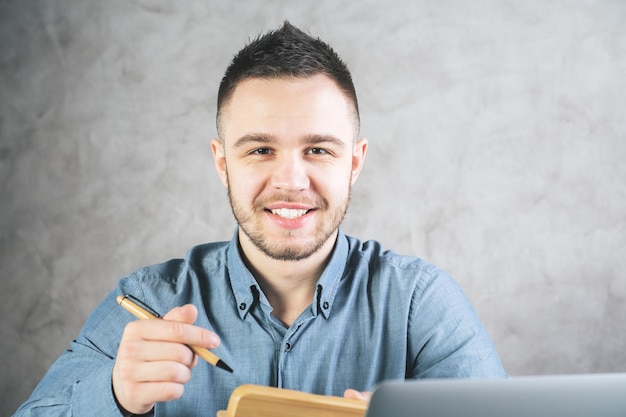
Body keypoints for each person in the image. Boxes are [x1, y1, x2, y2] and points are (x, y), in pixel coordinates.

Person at [14, 21, 506, 417]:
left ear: (354, 162)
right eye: (260, 149)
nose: (290, 181)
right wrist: (116, 396)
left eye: (317, 149)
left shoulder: (421, 303)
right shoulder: (149, 302)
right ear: (222, 161)